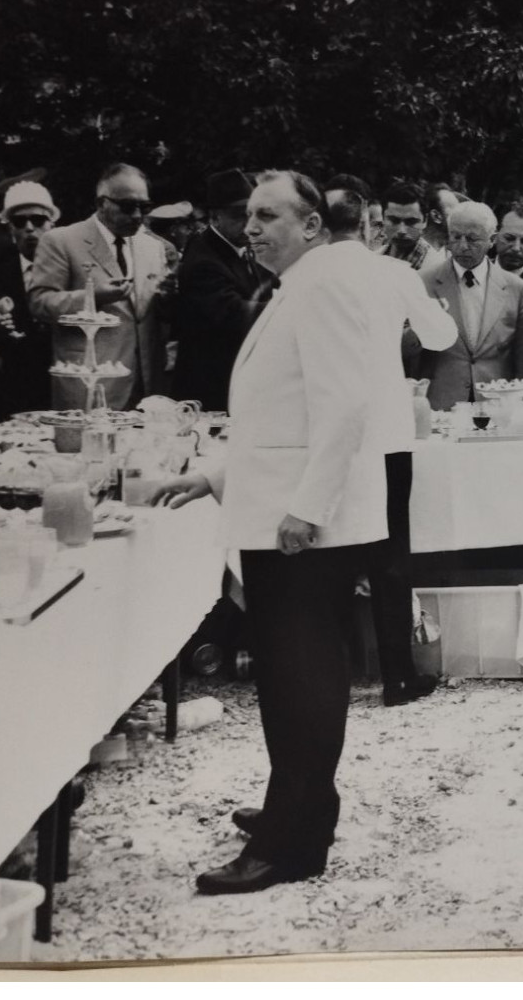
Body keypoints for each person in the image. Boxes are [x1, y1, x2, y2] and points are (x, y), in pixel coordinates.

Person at [153, 170, 399, 894]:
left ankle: (292, 840)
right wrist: (214, 473)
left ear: (313, 224)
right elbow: (276, 414)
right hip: (283, 510)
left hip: (303, 524)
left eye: (269, 215)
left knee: (300, 678)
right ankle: (294, 811)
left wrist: (309, 507)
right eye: (248, 216)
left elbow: (346, 404)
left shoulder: (322, 285)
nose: (253, 227)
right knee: (291, 676)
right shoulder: (301, 283)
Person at [323, 186, 457, 707]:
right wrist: (436, 309)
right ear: (369, 224)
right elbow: (441, 337)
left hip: (328, 430)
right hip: (384, 428)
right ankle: (397, 676)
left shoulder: (306, 276)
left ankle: (334, 671)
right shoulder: (393, 273)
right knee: (389, 553)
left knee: (331, 550)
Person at [28, 163, 171, 409]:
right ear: (101, 203)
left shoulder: (153, 247)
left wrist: (168, 297)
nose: (137, 215)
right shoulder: (61, 241)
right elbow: (40, 303)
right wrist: (92, 297)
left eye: (144, 207)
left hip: (145, 386)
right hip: (89, 386)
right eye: (127, 207)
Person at [172, 169, 272, 412]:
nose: (249, 226)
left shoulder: (238, 247)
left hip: (234, 381)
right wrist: (287, 307)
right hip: (210, 390)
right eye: (239, 216)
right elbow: (233, 313)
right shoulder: (203, 260)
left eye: (253, 215)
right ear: (215, 218)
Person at [419, 202, 523, 410]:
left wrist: (519, 405)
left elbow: (522, 360)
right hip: (440, 402)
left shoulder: (517, 289)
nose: (462, 246)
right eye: (455, 237)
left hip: (498, 404)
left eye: (472, 239)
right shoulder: (424, 282)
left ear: (492, 240)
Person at [0, 181, 60, 419]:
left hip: (64, 386)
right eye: (20, 222)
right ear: (11, 229)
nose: (29, 228)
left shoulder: (72, 273)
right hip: (17, 390)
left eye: (38, 220)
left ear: (52, 225)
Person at [380, 182, 446, 272]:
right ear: (383, 218)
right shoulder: (373, 258)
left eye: (411, 222)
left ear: (425, 221)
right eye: (394, 221)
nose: (401, 230)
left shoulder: (438, 269)